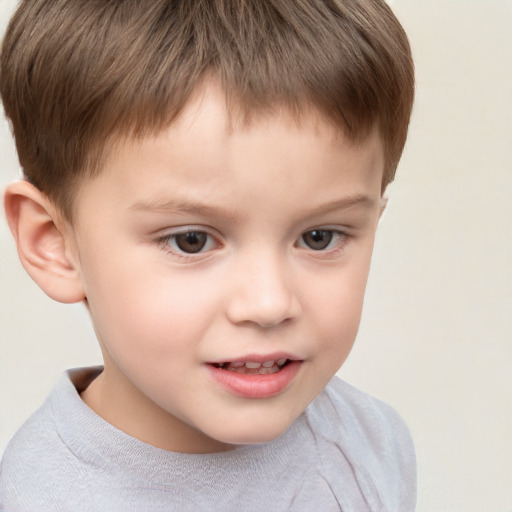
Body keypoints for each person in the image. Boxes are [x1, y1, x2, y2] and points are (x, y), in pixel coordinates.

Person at [0, 0, 416, 510]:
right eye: (191, 240)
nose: (268, 304)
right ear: (56, 243)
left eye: (319, 237)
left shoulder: (369, 441)